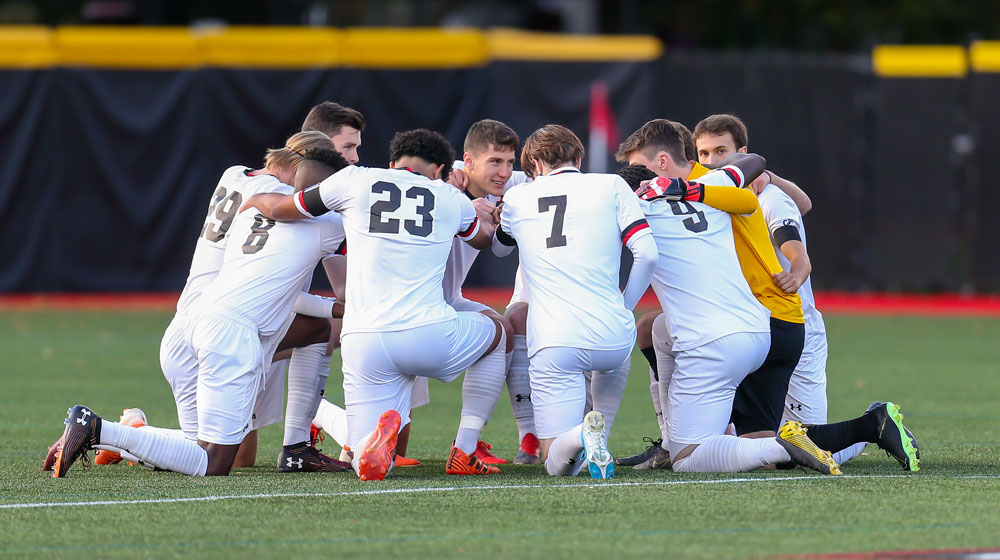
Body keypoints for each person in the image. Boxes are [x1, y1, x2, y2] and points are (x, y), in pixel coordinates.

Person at [51, 148, 354, 478]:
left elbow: (280, 284)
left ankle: (112, 434)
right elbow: (374, 237)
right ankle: (98, 429)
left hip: (203, 319)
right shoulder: (326, 223)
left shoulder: (255, 202)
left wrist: (334, 308)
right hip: (232, 334)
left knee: (203, 451)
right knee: (214, 463)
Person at [243, 129, 507, 481]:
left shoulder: (355, 179)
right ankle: (465, 447)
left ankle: (367, 446)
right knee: (500, 331)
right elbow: (484, 239)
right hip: (427, 333)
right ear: (438, 169)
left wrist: (256, 200)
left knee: (362, 458)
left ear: (393, 163)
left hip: (363, 338)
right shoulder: (450, 196)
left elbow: (284, 208)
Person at [693, 114, 917, 470]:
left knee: (802, 446)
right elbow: (805, 202)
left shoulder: (769, 199)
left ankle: (873, 425)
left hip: (795, 328)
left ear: (744, 153)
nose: (712, 161)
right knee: (760, 446)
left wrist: (796, 273)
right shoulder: (715, 198)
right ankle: (675, 444)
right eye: (703, 153)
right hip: (751, 329)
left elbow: (797, 252)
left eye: (722, 151)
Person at [619, 161, 841, 474]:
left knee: (688, 459)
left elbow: (646, 256)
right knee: (656, 329)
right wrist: (686, 188)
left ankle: (782, 444)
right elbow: (752, 177)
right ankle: (860, 430)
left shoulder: (635, 208)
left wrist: (622, 305)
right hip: (759, 328)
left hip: (714, 340)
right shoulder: (707, 192)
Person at [492, 125, 658, 478]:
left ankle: (583, 435)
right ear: (579, 159)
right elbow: (646, 255)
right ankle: (602, 438)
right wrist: (625, 306)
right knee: (616, 350)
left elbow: (499, 247)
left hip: (555, 339)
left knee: (557, 463)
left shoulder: (520, 197)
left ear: (535, 162)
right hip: (613, 334)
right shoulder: (612, 184)